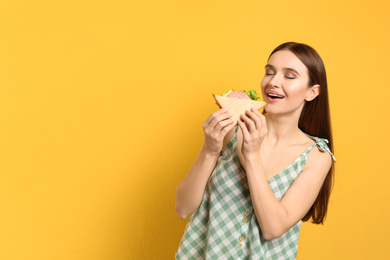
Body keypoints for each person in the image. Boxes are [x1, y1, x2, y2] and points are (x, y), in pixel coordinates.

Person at [175, 42, 336, 259]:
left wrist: (251, 156)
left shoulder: (317, 156)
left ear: (312, 92)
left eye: (289, 76)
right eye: (269, 72)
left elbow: (273, 228)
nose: (273, 82)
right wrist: (209, 149)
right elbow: (183, 208)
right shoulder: (231, 131)